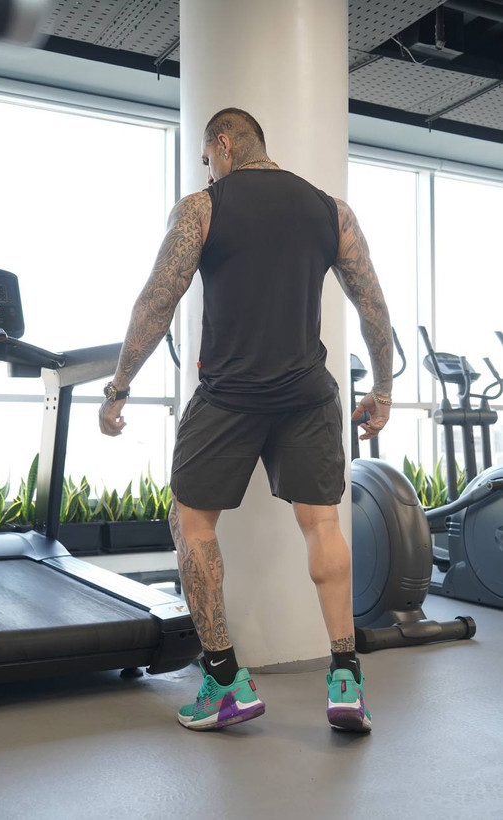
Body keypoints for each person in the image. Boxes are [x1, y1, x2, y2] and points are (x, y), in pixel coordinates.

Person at [99, 108, 393, 734]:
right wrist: (384, 389)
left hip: (229, 397)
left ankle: (225, 679)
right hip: (308, 395)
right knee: (322, 524)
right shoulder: (331, 211)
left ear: (225, 144)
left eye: (208, 158)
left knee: (191, 521)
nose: (208, 170)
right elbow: (372, 306)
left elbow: (156, 300)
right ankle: (346, 678)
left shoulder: (202, 209)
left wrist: (119, 386)